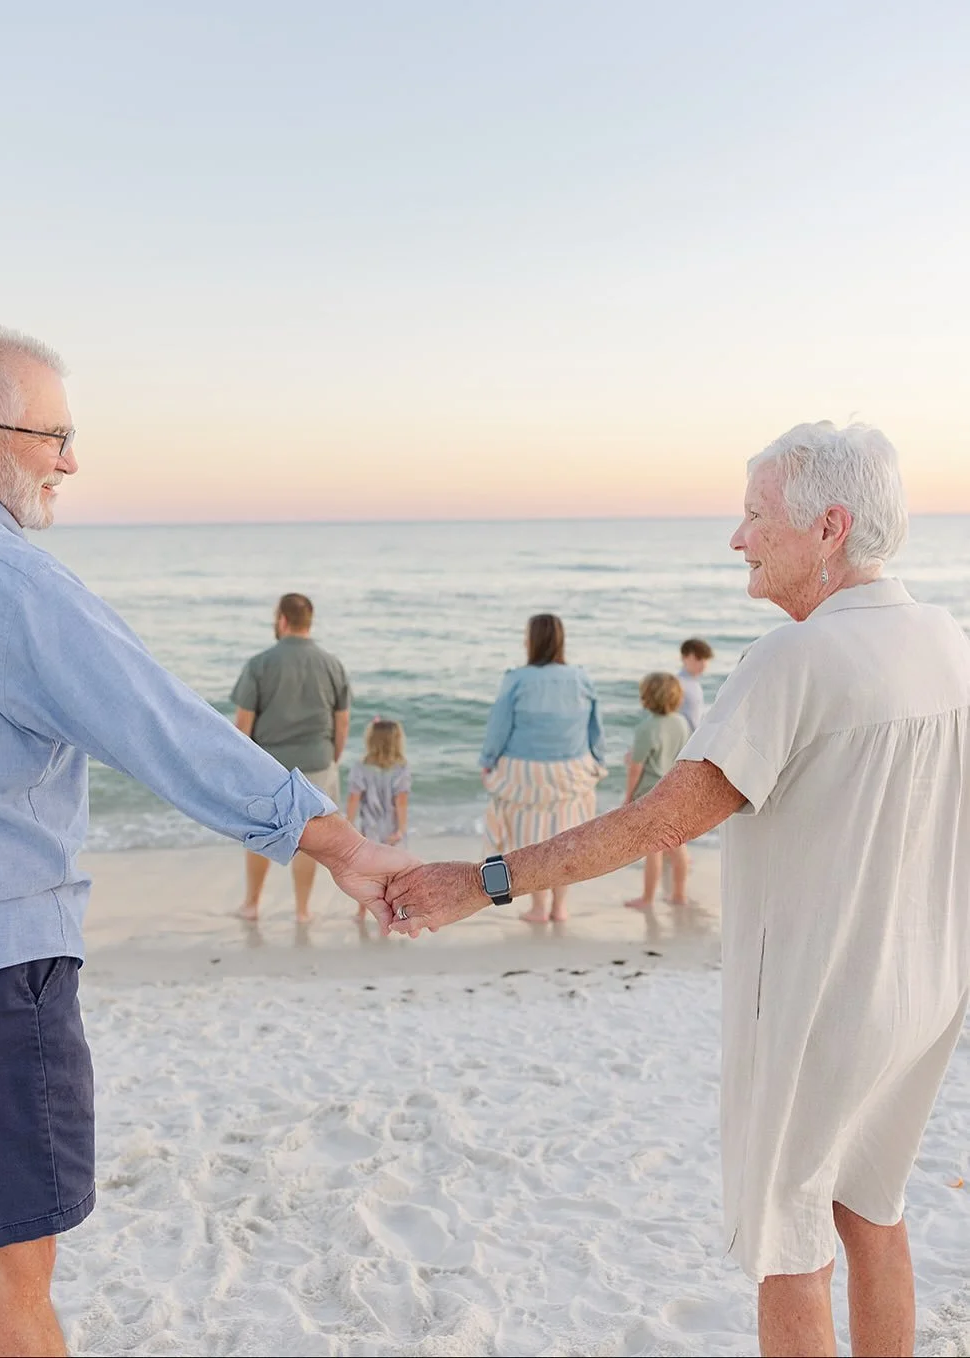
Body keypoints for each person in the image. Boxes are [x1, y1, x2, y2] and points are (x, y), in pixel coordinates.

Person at [387, 421, 970, 1358]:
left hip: (823, 1000)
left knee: (786, 1239)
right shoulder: (942, 638)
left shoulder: (792, 659)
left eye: (754, 517)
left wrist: (481, 880)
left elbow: (658, 823)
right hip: (926, 986)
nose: (737, 539)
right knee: (872, 1204)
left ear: (827, 527)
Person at [0, 324, 414, 1358]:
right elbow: (160, 727)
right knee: (5, 1290)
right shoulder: (3, 575)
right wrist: (337, 843)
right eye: (54, 437)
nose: (70, 462)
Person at [230, 593, 351, 923]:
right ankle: (302, 910)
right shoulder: (331, 664)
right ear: (309, 621)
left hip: (270, 766)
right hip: (318, 762)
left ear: (282, 620)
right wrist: (332, 758)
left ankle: (252, 905)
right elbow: (342, 721)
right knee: (310, 839)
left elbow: (243, 723)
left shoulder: (260, 664)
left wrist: (241, 765)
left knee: (260, 834)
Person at [478, 613, 606, 924]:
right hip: (571, 771)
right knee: (565, 842)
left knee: (530, 841)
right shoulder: (580, 677)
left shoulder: (516, 679)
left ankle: (538, 908)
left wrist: (488, 761)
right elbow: (594, 728)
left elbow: (499, 728)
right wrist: (598, 760)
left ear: (531, 640)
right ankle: (560, 907)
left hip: (525, 774)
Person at [623, 673, 691, 909]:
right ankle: (679, 895)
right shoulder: (681, 723)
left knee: (653, 850)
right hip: (674, 790)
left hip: (650, 794)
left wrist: (628, 798)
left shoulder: (646, 727)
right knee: (677, 845)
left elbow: (636, 768)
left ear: (647, 698)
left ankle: (647, 898)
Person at [346, 719, 412, 919]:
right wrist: (401, 829)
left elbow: (354, 798)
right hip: (392, 828)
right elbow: (401, 801)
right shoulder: (401, 768)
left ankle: (361, 912)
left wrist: (349, 824)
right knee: (393, 872)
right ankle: (396, 910)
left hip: (370, 828)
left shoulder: (361, 766)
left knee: (367, 872)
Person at [678, 636, 713, 733]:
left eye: (705, 659)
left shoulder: (694, 683)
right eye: (698, 658)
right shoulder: (678, 684)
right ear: (684, 657)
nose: (703, 663)